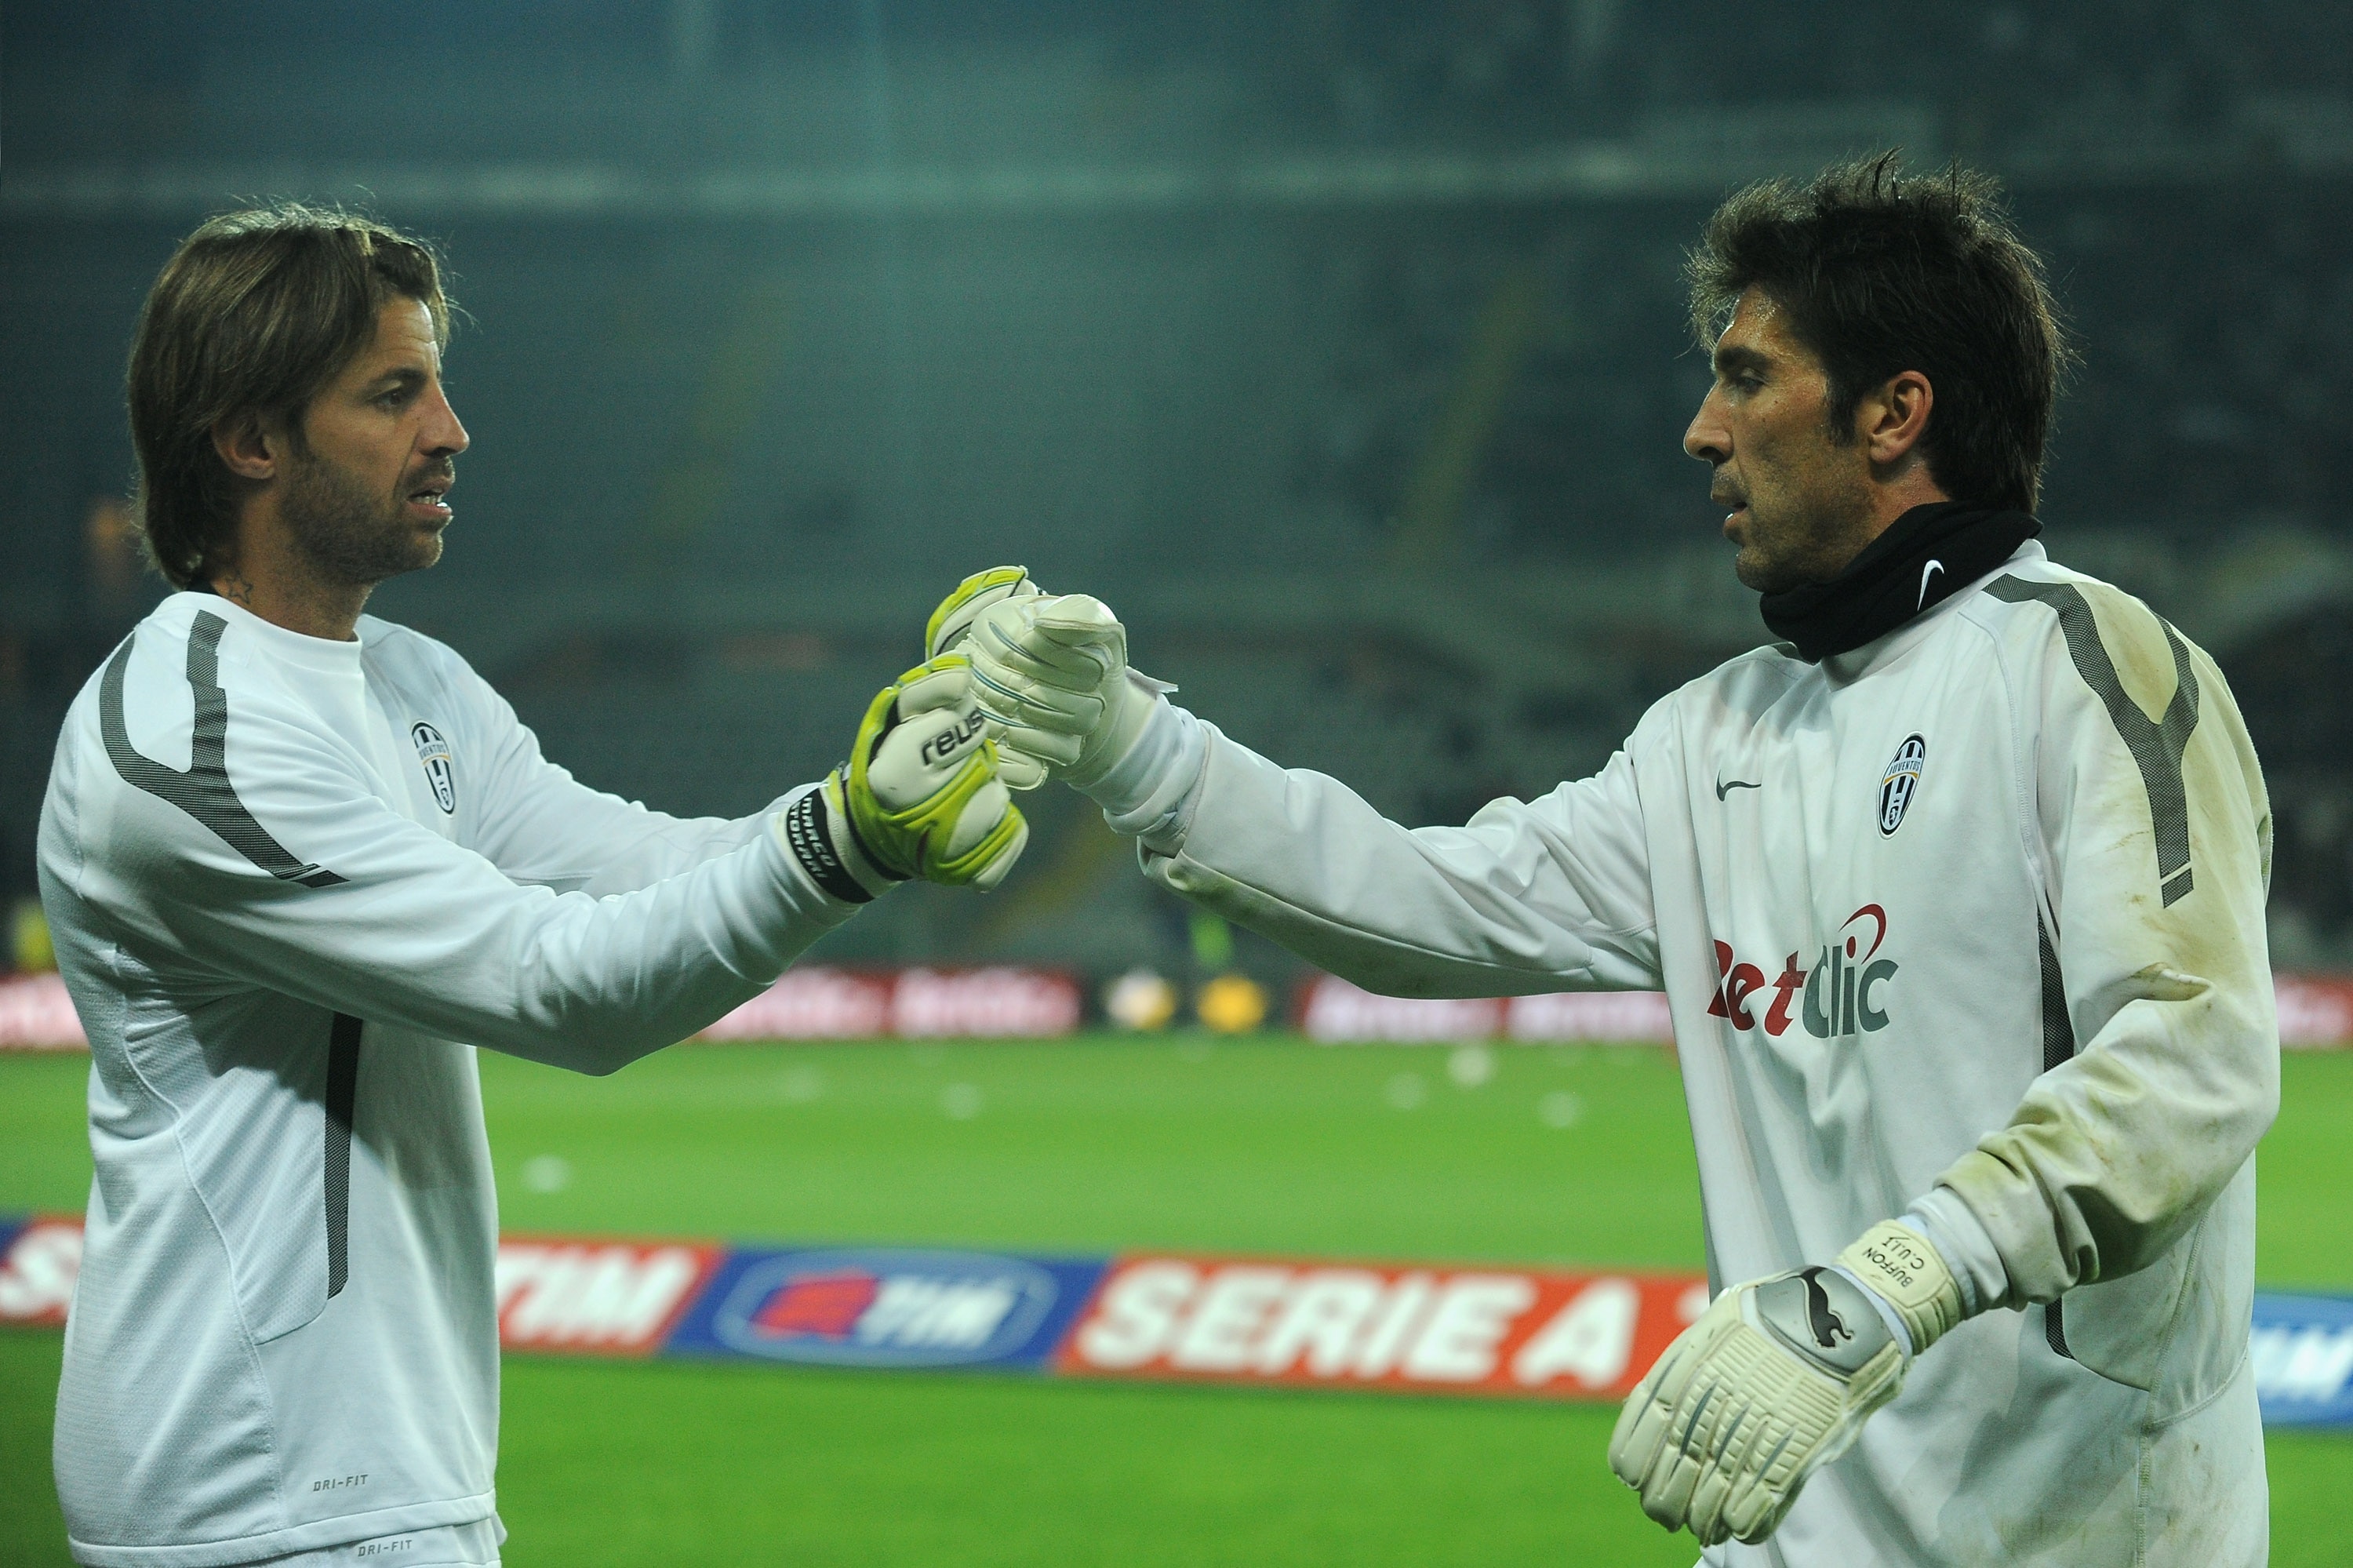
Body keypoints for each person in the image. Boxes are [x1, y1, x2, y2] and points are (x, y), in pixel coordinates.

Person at [937, 155, 2275, 1566]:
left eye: (1748, 378)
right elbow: (1424, 901)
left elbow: (2193, 1058)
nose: (1703, 431)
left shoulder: (2087, 667)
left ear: (1895, 413)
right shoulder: (1710, 738)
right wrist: (1127, 743)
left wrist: (1885, 1286)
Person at [37, 205, 1027, 1568]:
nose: (450, 430)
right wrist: (848, 843)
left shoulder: (412, 683)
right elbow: (562, 985)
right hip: (248, 1496)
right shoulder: (187, 741)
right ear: (252, 440)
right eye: (394, 394)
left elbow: (639, 867)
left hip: (391, 1480)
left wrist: (870, 800)